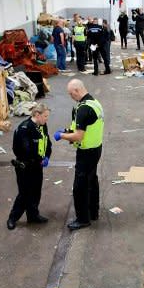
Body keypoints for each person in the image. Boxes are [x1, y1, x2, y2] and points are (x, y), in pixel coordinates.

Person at [54, 80, 104, 231]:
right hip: (96, 148)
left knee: (80, 187)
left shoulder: (83, 109)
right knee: (92, 181)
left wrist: (62, 135)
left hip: (86, 152)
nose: (71, 97)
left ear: (76, 90)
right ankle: (93, 212)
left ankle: (83, 219)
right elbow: (88, 126)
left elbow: (78, 136)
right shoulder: (94, 102)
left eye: (71, 94)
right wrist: (69, 130)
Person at [7, 103, 52, 230]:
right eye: (45, 116)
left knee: (36, 192)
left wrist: (47, 155)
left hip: (38, 166)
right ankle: (12, 218)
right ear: (37, 115)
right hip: (25, 168)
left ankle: (33, 215)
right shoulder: (24, 129)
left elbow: (47, 142)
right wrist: (37, 159)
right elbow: (22, 150)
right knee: (24, 194)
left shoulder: (42, 126)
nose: (46, 119)